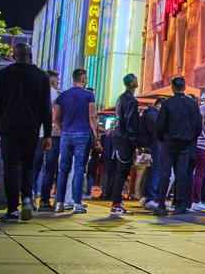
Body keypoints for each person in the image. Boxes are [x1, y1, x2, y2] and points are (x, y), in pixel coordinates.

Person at [0, 43, 53, 221]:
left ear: (14, 56)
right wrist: (47, 133)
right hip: (31, 126)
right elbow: (46, 107)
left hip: (9, 127)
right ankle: (27, 199)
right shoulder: (41, 76)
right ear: (31, 56)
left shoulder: (4, 75)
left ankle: (12, 210)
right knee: (28, 164)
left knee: (10, 167)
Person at [155, 76, 201, 217]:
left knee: (165, 174)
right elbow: (198, 125)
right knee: (182, 174)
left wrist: (162, 138)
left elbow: (160, 125)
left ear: (172, 88)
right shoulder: (192, 104)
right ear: (184, 87)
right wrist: (191, 137)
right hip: (185, 144)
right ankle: (179, 205)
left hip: (169, 142)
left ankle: (161, 204)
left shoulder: (167, 104)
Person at [53, 68, 97, 214]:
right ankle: (77, 203)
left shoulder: (62, 95)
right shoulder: (88, 95)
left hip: (66, 134)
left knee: (63, 170)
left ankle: (59, 203)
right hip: (82, 134)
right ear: (83, 79)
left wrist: (63, 129)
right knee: (79, 169)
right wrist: (96, 137)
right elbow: (92, 117)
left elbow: (55, 118)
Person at [105, 74, 141, 215]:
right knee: (122, 172)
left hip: (119, 139)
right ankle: (116, 203)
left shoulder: (121, 98)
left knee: (119, 172)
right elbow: (131, 123)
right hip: (125, 140)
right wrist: (135, 143)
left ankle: (116, 202)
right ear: (133, 83)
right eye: (136, 80)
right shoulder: (131, 100)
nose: (137, 81)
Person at [38, 70, 61, 211]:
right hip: (50, 134)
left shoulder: (35, 92)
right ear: (52, 82)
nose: (58, 83)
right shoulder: (53, 93)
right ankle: (45, 200)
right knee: (50, 169)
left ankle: (29, 197)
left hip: (36, 133)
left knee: (34, 167)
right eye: (57, 80)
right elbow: (55, 114)